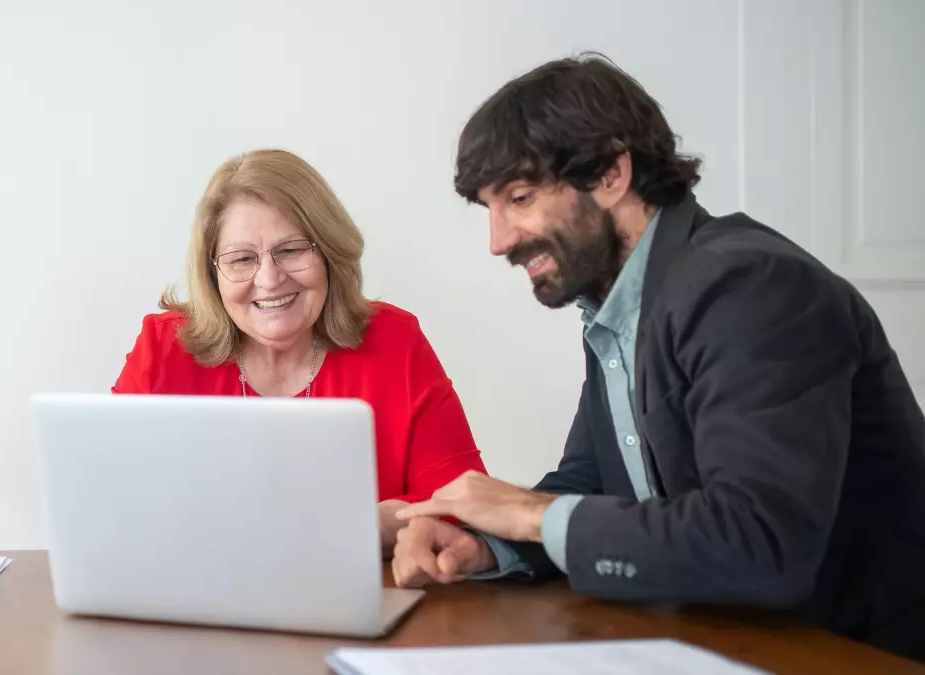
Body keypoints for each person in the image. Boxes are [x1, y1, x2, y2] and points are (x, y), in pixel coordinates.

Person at [391, 53, 925, 662]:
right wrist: (488, 546)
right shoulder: (619, 302)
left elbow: (759, 544)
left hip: (857, 651)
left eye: (520, 196)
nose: (499, 240)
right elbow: (589, 483)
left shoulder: (750, 287)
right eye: (489, 209)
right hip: (721, 638)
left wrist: (532, 515)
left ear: (612, 175)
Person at [112, 148, 487, 554]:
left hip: (362, 597)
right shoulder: (161, 349)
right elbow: (108, 501)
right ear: (212, 272)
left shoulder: (396, 341)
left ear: (328, 252)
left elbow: (465, 506)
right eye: (241, 259)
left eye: (291, 250)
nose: (270, 279)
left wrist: (366, 528)